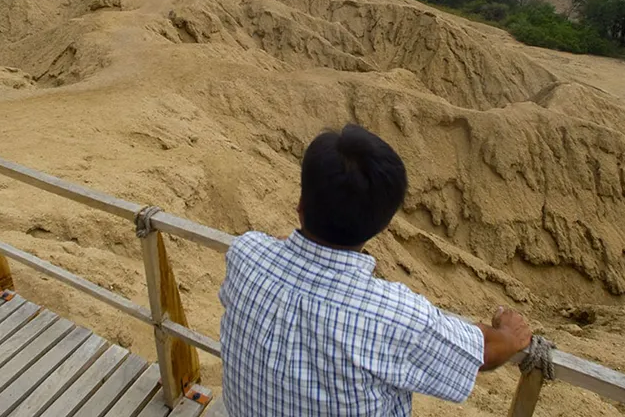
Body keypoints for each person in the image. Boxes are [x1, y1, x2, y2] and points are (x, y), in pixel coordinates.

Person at [219, 124, 532, 417]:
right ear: (383, 225)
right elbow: (484, 352)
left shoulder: (246, 254)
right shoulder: (395, 315)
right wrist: (508, 332)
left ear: (300, 204)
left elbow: (271, 249)